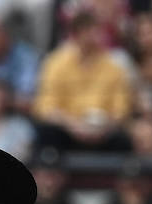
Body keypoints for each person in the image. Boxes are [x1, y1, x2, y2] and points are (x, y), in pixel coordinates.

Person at [31, 9, 133, 153]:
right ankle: (49, 175)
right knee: (45, 133)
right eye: (88, 31)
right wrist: (72, 125)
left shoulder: (114, 67)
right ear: (76, 34)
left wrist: (104, 127)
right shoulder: (55, 63)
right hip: (67, 129)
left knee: (123, 141)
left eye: (97, 31)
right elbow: (44, 107)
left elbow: (121, 110)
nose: (94, 37)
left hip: (103, 130)